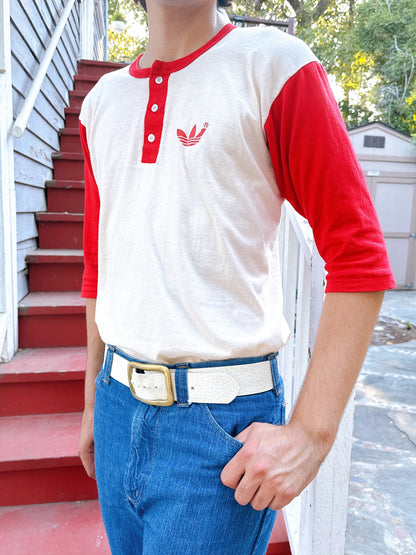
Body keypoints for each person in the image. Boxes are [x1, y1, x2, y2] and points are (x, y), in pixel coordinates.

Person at [77, 1, 396, 553]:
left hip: (219, 436)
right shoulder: (102, 104)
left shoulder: (275, 66)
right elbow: (98, 269)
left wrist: (312, 435)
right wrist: (90, 404)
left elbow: (359, 254)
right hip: (115, 408)